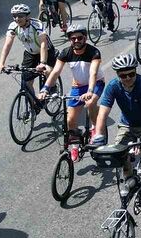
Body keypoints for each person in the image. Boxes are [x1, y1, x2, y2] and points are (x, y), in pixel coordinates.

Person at [92, 54, 141, 223]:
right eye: (123, 75)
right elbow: (102, 112)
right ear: (117, 75)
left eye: (131, 74)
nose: (128, 78)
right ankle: (130, 177)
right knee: (119, 155)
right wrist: (99, 136)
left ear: (135, 72)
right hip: (128, 125)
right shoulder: (113, 86)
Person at [38, 24, 104, 161]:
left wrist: (90, 91)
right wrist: (45, 89)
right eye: (73, 38)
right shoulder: (65, 53)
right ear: (69, 40)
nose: (76, 41)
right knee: (70, 119)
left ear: (85, 38)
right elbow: (55, 72)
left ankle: (93, 128)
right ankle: (75, 147)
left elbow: (93, 73)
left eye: (80, 37)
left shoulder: (94, 52)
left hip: (96, 83)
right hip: (78, 86)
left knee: (90, 103)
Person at [0, 3, 56, 99]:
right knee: (26, 82)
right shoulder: (13, 26)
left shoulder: (37, 24)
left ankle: (52, 87)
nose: (17, 19)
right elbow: (7, 44)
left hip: (46, 50)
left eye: (20, 16)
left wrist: (43, 63)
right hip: (30, 53)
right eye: (14, 16)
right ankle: (34, 104)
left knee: (47, 71)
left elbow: (43, 44)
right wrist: (1, 63)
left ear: (27, 16)